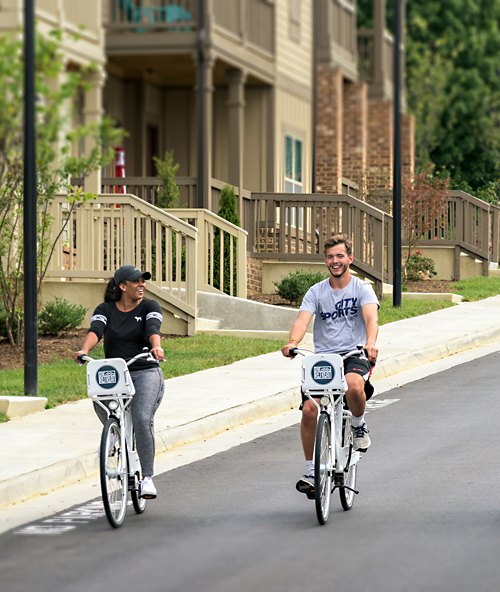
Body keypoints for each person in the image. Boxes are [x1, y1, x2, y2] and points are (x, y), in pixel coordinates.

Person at [281, 235, 379, 496]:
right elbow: (303, 320)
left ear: (349, 258)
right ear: (325, 260)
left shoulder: (362, 289)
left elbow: (371, 318)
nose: (334, 261)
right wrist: (292, 342)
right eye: (330, 257)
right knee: (310, 410)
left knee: (355, 385)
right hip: (323, 359)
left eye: (339, 256)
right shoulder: (317, 291)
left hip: (354, 353)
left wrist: (370, 343)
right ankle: (312, 471)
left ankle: (358, 424)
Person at [74, 264, 165, 499]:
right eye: (136, 281)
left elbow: (153, 328)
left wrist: (155, 346)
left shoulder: (149, 306)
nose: (142, 285)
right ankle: (113, 433)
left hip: (144, 370)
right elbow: (96, 330)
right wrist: (83, 350)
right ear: (123, 286)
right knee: (100, 398)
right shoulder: (105, 309)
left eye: (143, 281)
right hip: (115, 373)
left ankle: (147, 478)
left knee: (142, 418)